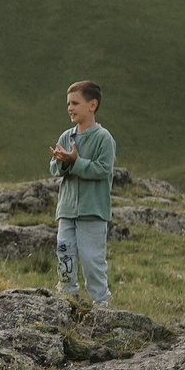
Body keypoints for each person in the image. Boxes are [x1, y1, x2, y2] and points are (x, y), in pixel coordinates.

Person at [49, 80, 116, 308]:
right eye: (68, 103)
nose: (70, 108)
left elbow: (102, 169)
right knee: (64, 253)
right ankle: (67, 298)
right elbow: (54, 168)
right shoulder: (66, 136)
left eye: (75, 103)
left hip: (93, 211)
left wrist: (76, 161)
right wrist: (63, 162)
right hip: (67, 209)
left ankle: (101, 304)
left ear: (92, 105)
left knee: (92, 260)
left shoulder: (104, 138)